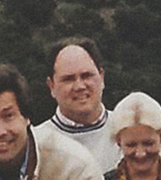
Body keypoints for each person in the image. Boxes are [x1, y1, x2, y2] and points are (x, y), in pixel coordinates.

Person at [37, 36, 120, 173]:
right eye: (68, 79)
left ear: (102, 77)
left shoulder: (132, 133)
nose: (80, 86)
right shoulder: (35, 145)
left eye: (87, 76)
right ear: (51, 86)